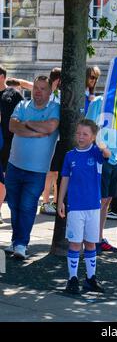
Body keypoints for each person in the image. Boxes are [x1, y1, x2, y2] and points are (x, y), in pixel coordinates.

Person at [4, 75, 60, 259]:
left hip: (36, 170)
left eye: (43, 88)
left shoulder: (54, 108)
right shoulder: (22, 105)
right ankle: (16, 241)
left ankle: (21, 244)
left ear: (50, 91)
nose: (38, 91)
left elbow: (50, 127)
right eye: (36, 87)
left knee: (27, 206)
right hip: (14, 165)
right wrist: (34, 131)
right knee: (14, 206)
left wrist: (26, 123)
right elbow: (12, 126)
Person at [57, 119, 111, 294]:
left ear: (93, 137)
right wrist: (60, 201)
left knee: (90, 244)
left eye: (85, 134)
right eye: (78, 133)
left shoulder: (95, 153)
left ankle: (90, 278)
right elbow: (64, 179)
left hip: (93, 208)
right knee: (74, 244)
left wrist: (102, 145)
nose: (80, 137)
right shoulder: (70, 156)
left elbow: (107, 155)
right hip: (75, 208)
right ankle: (72, 279)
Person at [86, 95, 117, 253]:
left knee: (107, 201)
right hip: (102, 158)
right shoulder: (98, 102)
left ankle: (98, 238)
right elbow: (89, 128)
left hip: (116, 159)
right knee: (99, 200)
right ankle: (91, 239)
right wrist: (101, 148)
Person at [0, 66, 24, 224]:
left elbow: (23, 114)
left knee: (5, 178)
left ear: (2, 76)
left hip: (8, 142)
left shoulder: (13, 94)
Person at [39, 67, 62, 215]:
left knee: (57, 172)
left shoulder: (59, 94)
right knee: (50, 172)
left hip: (59, 137)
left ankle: (55, 201)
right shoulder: (48, 95)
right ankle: (45, 201)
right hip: (49, 138)